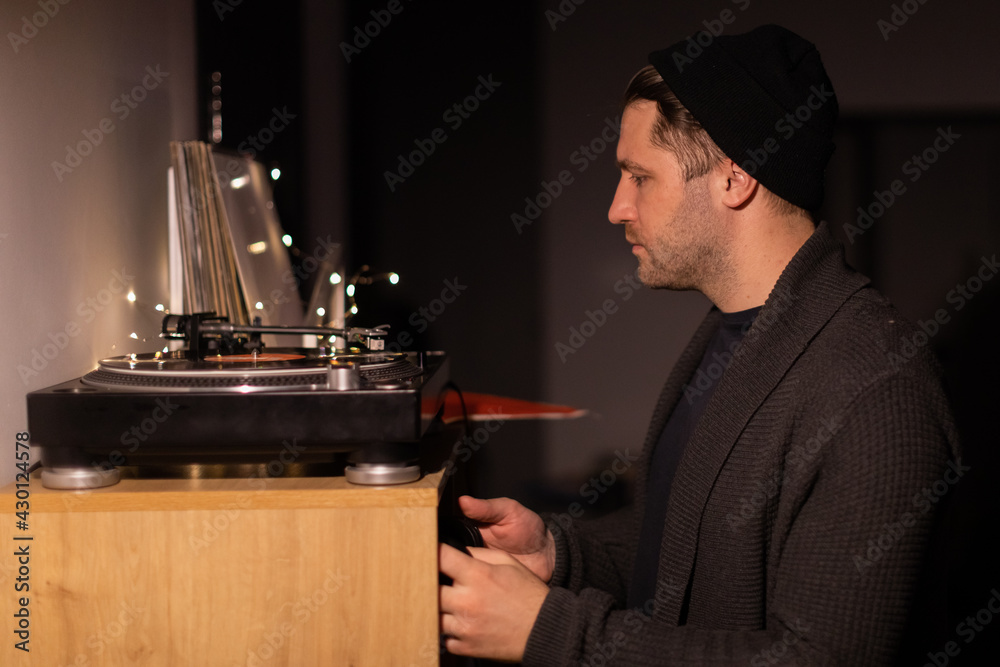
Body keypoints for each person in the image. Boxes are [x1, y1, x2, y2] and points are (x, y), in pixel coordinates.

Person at [439, 24, 959, 665]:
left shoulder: (875, 389)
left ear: (734, 180)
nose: (616, 207)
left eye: (639, 176)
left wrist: (557, 633)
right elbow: (684, 546)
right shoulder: (730, 335)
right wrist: (560, 553)